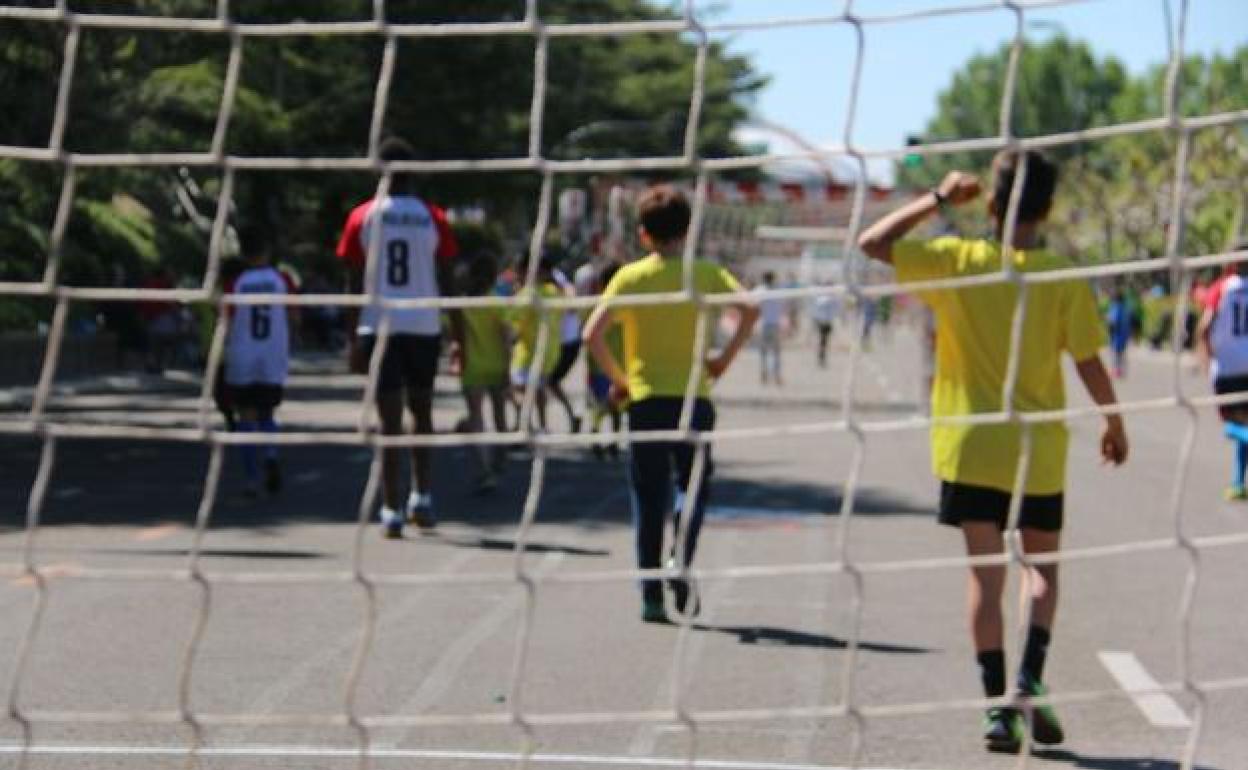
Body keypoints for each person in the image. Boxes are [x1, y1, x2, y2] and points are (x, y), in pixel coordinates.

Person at [857, 151, 1128, 753]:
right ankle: (1029, 679)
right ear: (1050, 207)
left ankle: (995, 707)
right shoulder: (1061, 275)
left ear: (990, 203)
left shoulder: (960, 263)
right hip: (1038, 448)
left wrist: (938, 197)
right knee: (1042, 573)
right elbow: (1088, 360)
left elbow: (871, 242)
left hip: (973, 442)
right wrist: (1115, 422)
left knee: (985, 577)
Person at [583, 184, 758, 624]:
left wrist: (622, 381)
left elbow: (592, 335)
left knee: (647, 495)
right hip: (694, 397)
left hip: (646, 400)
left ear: (643, 234)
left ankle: (651, 597)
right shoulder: (706, 273)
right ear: (688, 230)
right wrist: (723, 358)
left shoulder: (629, 277)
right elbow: (750, 309)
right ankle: (680, 556)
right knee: (693, 485)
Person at [335, 136, 460, 539]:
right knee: (421, 412)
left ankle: (390, 507)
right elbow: (448, 278)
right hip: (423, 324)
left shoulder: (363, 217)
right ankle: (422, 497)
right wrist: (457, 333)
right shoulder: (433, 216)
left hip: (379, 324)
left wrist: (352, 336)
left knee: (388, 420)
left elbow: (353, 279)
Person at [224, 225, 298, 498]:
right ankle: (270, 452)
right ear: (266, 251)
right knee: (267, 412)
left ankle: (251, 479)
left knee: (245, 415)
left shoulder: (237, 283)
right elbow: (294, 316)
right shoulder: (282, 280)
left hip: (243, 355)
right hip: (271, 355)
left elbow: (228, 320)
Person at [450, 251, 511, 493]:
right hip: (496, 365)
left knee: (476, 418)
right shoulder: (497, 303)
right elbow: (506, 337)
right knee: (500, 416)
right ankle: (500, 458)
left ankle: (484, 469)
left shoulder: (462, 305)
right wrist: (508, 366)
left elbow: (452, 335)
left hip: (471, 366)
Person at [1197, 246, 1248, 500]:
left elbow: (1204, 327)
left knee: (1231, 425)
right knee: (1243, 423)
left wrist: (1207, 361)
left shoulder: (1222, 287)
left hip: (1228, 367)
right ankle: (1238, 483)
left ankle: (1238, 482)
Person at [509, 250, 563, 431]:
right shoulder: (554, 291)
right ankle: (542, 426)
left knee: (518, 390)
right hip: (549, 352)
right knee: (539, 390)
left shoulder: (527, 294)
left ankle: (524, 426)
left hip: (527, 354)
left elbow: (512, 321)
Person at [585, 260, 625, 460]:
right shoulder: (624, 306)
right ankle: (612, 442)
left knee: (599, 405)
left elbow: (587, 335)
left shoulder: (595, 306)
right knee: (614, 406)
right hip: (618, 366)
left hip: (599, 364)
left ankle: (596, 437)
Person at [755, 271, 784, 385]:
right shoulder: (777, 291)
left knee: (764, 352)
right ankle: (776, 375)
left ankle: (764, 374)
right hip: (774, 324)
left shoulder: (760, 290)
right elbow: (782, 305)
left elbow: (752, 304)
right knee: (775, 352)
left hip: (764, 324)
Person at [1106, 288, 1132, 378]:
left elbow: (1113, 322)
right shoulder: (1125, 308)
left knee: (1116, 353)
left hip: (1117, 335)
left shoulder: (1115, 307)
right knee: (1121, 353)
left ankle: (1117, 370)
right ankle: (1121, 370)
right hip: (1124, 334)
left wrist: (1110, 333)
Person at [810, 287, 838, 368]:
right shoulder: (828, 298)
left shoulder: (823, 298)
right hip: (823, 322)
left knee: (823, 341)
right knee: (823, 341)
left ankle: (821, 356)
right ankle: (821, 356)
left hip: (825, 322)